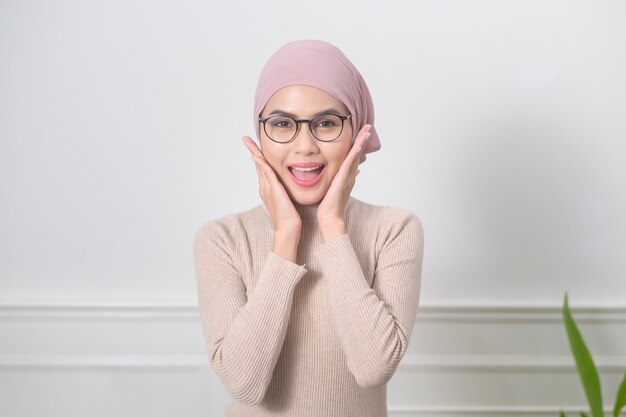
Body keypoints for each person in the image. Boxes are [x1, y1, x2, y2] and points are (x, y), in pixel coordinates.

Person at [193, 39, 424, 417]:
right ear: (260, 134)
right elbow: (243, 384)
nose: (305, 146)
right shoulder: (222, 239)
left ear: (357, 133)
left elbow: (373, 368)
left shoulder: (394, 230)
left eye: (327, 124)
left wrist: (333, 227)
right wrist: (286, 237)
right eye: (283, 124)